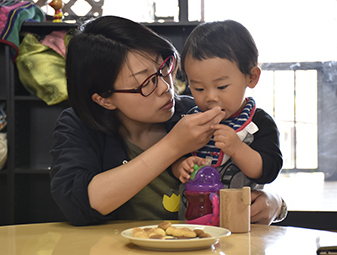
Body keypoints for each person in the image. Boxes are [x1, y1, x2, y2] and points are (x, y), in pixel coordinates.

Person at [50, 15, 286, 226]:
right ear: (105, 100)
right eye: (146, 83)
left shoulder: (194, 112)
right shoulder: (80, 126)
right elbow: (77, 205)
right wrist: (174, 146)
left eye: (164, 68)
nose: (165, 88)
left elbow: (255, 170)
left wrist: (276, 204)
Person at [172, 20, 283, 191]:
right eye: (199, 88)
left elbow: (269, 170)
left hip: (239, 214)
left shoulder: (258, 122)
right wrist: (181, 166)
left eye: (221, 87)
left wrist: (237, 149)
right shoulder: (189, 122)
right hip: (192, 215)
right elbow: (172, 158)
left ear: (251, 77)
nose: (210, 97)